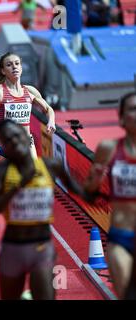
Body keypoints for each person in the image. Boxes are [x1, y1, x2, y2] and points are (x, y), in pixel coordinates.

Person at [0, 119, 85, 300]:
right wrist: (18, 187)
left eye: (16, 136)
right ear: (3, 147)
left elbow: (82, 193)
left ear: (26, 136)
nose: (13, 141)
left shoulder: (50, 165)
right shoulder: (1, 171)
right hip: (12, 248)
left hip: (42, 246)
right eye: (7, 140)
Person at [84, 92, 136, 299]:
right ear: (122, 117)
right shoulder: (109, 148)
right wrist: (95, 179)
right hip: (121, 236)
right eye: (133, 109)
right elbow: (88, 193)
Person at [0, 52, 56, 160]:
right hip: (4, 146)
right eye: (9, 65)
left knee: (33, 174)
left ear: (21, 67)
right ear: (3, 71)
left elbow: (48, 109)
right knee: (8, 176)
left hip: (27, 142)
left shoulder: (30, 91)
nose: (14, 67)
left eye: (17, 64)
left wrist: (51, 122)